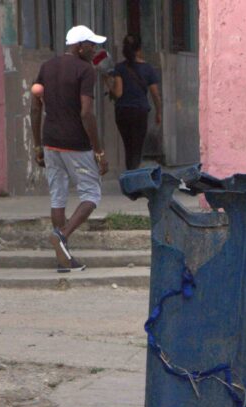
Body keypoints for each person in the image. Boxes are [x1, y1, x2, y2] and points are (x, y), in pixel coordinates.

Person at [31, 25, 109, 272]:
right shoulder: (85, 70)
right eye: (91, 44)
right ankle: (62, 235)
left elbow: (35, 108)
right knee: (91, 194)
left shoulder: (47, 67)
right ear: (79, 46)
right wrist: (99, 151)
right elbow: (86, 112)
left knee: (58, 196)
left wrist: (37, 145)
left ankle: (62, 258)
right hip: (76, 143)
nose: (94, 48)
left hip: (51, 140)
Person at [110, 34, 162, 170]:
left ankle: (131, 174)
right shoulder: (148, 68)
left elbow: (118, 93)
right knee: (137, 147)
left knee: (128, 146)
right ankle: (134, 177)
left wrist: (107, 82)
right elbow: (155, 94)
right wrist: (158, 112)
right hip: (140, 111)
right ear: (139, 50)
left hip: (122, 112)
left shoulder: (119, 68)